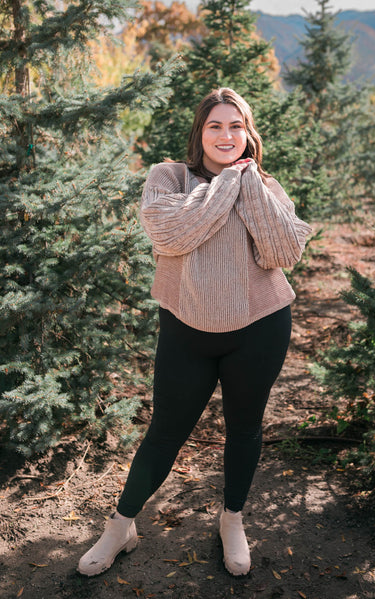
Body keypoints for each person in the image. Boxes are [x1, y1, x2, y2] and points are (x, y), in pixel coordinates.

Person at [78, 87, 312, 578]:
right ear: (199, 132)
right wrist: (229, 182)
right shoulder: (170, 177)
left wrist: (248, 185)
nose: (226, 135)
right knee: (165, 431)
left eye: (235, 126)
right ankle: (121, 526)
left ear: (248, 133)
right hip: (186, 327)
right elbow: (172, 234)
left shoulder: (265, 185)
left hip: (260, 326)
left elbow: (283, 251)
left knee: (244, 428)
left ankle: (232, 520)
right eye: (215, 126)